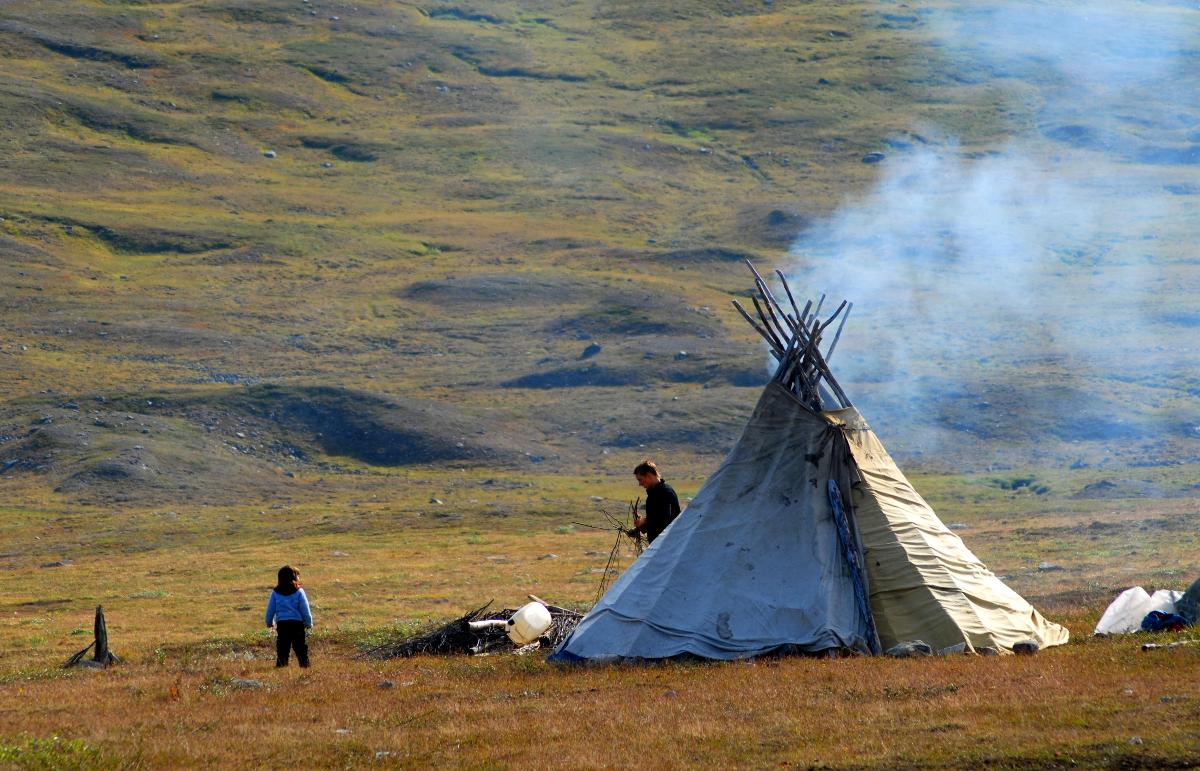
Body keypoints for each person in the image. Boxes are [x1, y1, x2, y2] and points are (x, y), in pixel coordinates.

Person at [265, 565, 312, 668]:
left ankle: (281, 665)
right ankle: (305, 665)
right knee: (300, 647)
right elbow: (305, 609)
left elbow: (270, 609)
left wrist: (269, 622)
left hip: (283, 624)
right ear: (294, 577)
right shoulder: (299, 591)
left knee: (282, 647)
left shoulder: (275, 592)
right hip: (297, 624)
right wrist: (308, 623)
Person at [629, 459, 681, 544]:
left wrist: (645, 520)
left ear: (649, 475)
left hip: (667, 544)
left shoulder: (665, 492)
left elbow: (665, 521)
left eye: (640, 479)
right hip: (659, 544)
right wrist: (641, 525)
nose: (640, 484)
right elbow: (655, 520)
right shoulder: (653, 494)